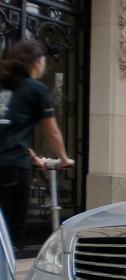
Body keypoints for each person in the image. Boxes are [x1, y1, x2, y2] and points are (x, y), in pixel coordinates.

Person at [0, 40, 73, 250]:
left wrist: (32, 155)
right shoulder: (36, 89)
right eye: (43, 60)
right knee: (12, 232)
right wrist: (64, 158)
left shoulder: (4, 87)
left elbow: (9, 128)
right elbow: (51, 131)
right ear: (36, 62)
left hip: (9, 159)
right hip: (12, 169)